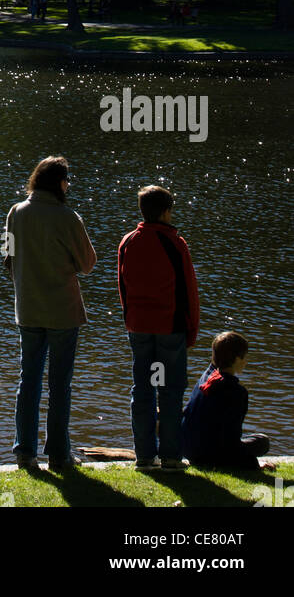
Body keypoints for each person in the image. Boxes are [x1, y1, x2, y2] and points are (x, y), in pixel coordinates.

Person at [4, 155, 97, 471]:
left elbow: (8, 256)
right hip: (62, 313)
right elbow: (87, 264)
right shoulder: (68, 217)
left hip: (27, 310)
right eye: (67, 179)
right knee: (60, 384)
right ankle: (58, 455)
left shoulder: (16, 213)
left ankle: (25, 452)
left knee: (28, 380)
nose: (68, 185)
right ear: (58, 182)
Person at [117, 185, 199, 470]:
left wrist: (130, 320)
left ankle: (144, 456)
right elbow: (189, 290)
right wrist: (192, 329)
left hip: (139, 329)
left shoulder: (128, 242)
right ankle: (171, 456)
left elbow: (122, 286)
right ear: (166, 212)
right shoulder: (175, 243)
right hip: (169, 329)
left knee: (143, 388)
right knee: (170, 389)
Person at [182, 331, 273, 471]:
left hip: (188, 448)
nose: (245, 361)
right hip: (209, 455)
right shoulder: (236, 392)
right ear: (236, 359)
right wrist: (255, 465)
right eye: (244, 357)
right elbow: (231, 439)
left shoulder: (207, 375)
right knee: (262, 442)